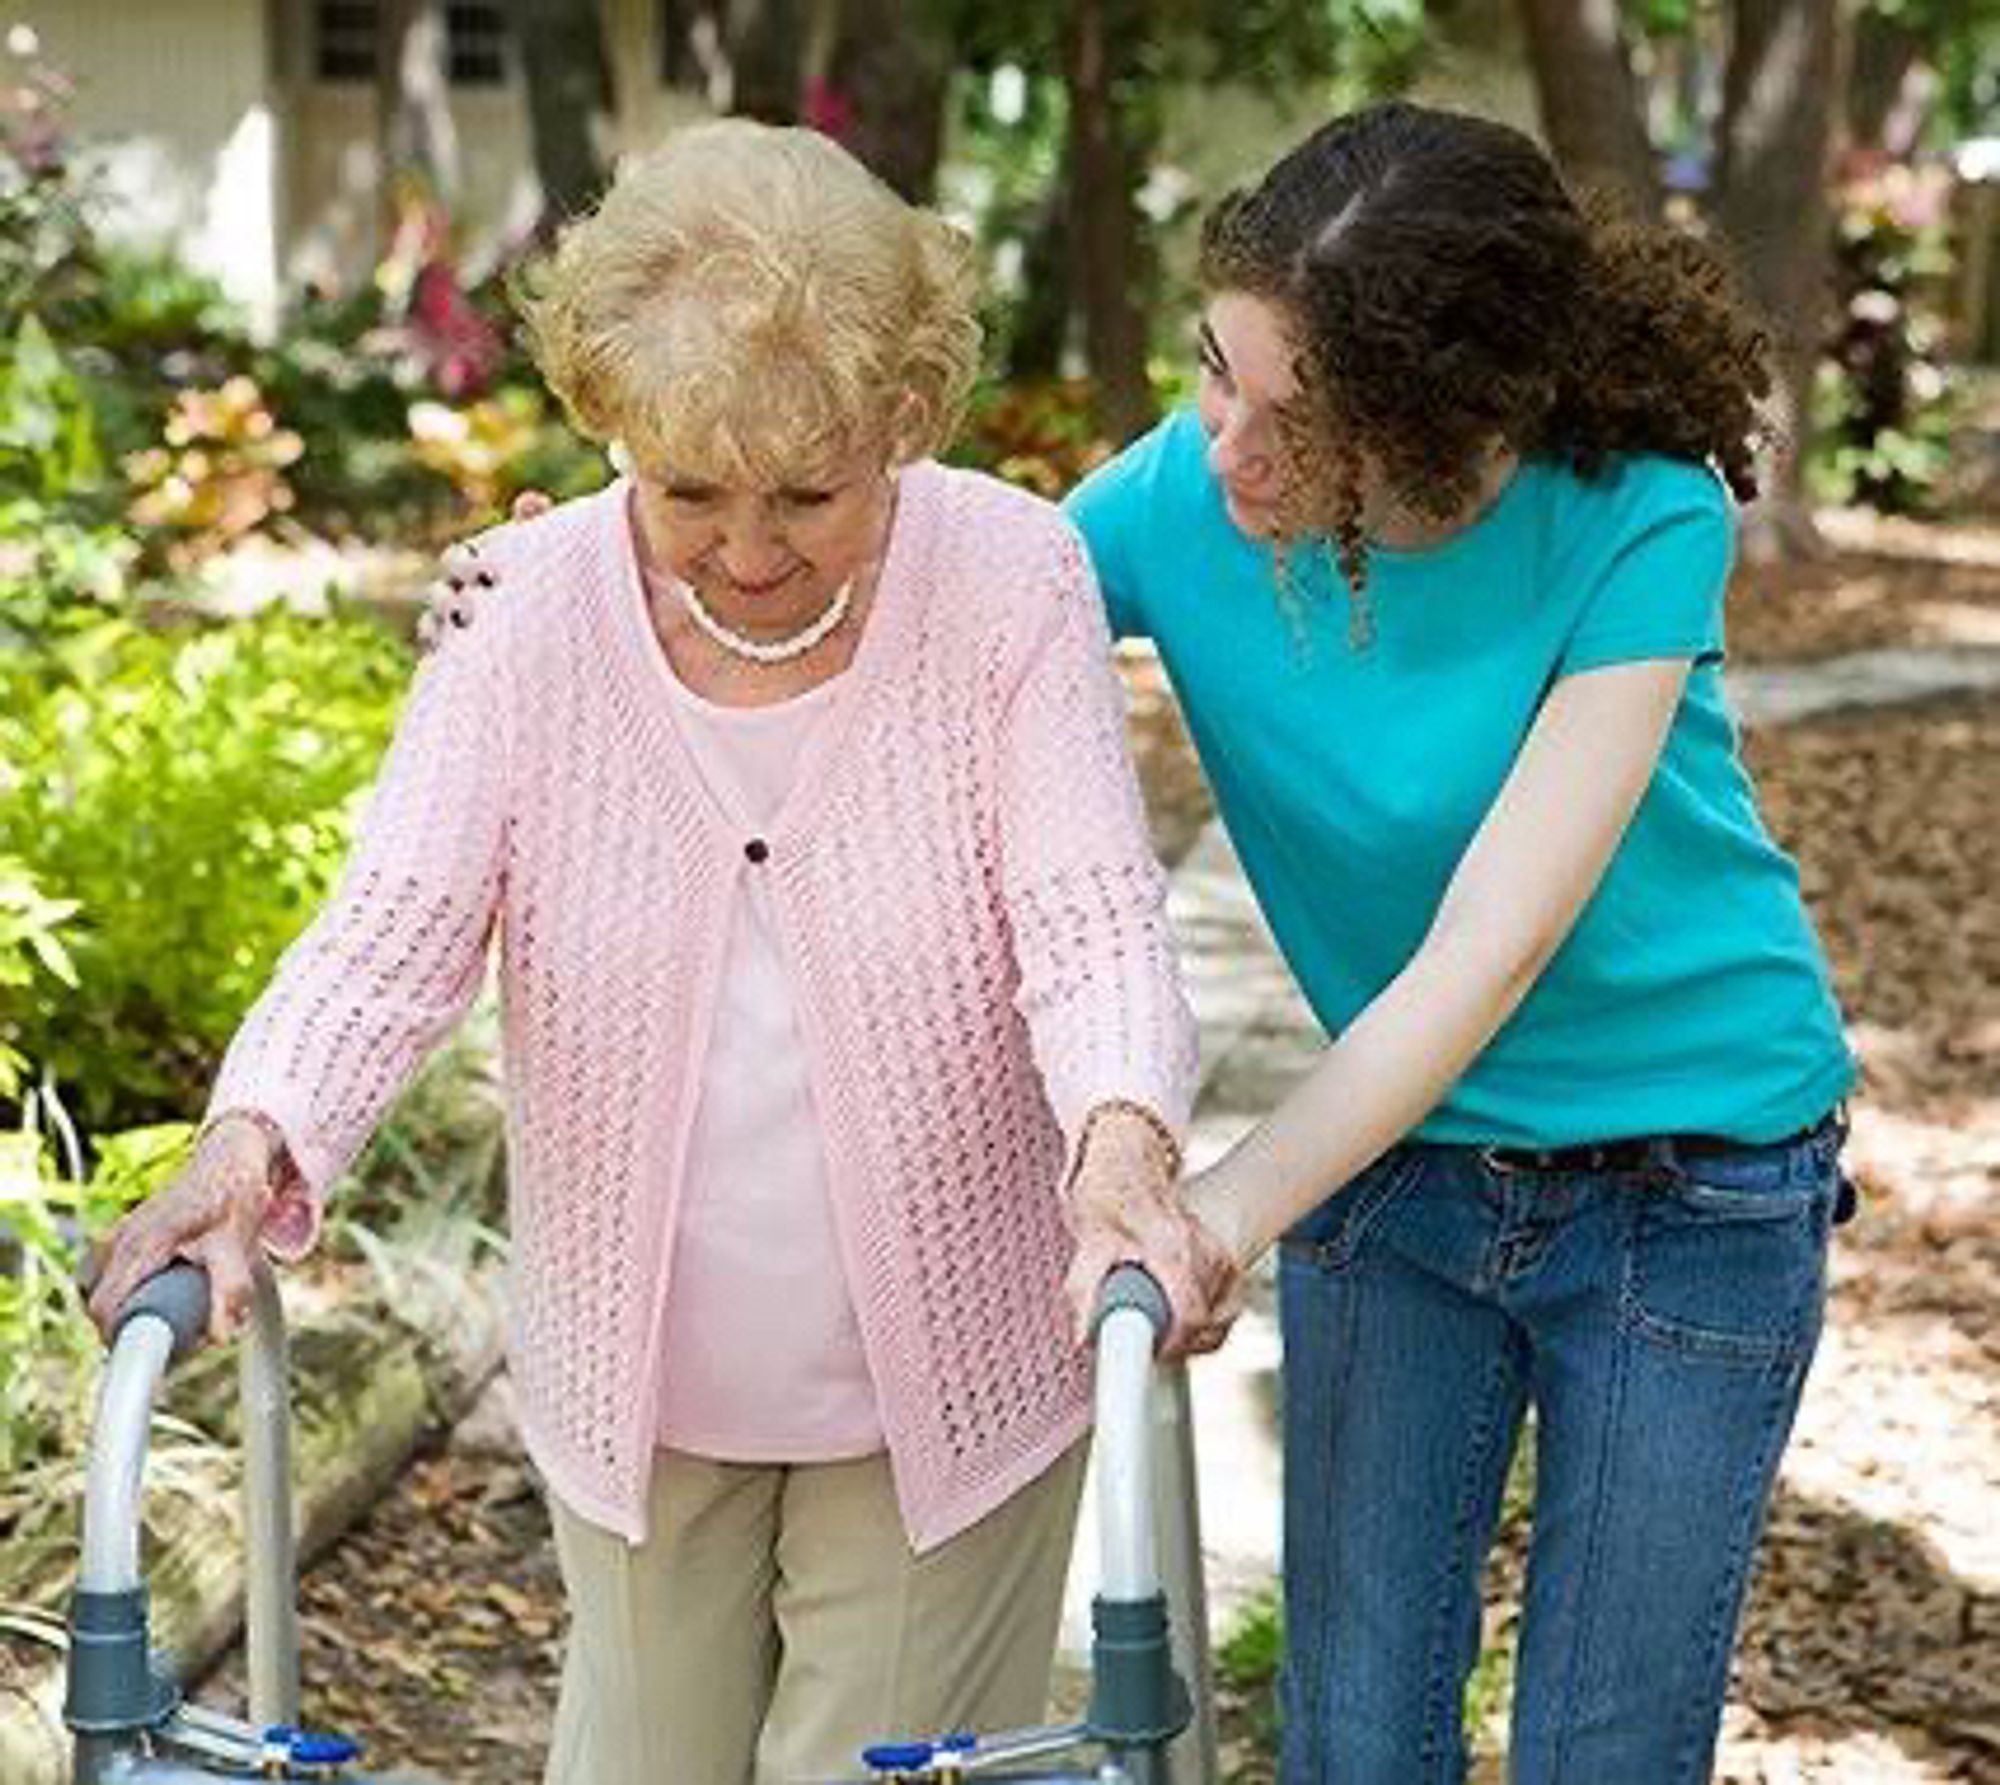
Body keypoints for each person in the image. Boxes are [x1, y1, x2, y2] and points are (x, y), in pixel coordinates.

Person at [83, 119, 1225, 1785]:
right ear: (612, 422)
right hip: (641, 1394)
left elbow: (1088, 913)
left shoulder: (1009, 577)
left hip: (956, 1388)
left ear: (904, 423)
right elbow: (389, 931)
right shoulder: (525, 612)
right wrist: (250, 1140)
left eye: (809, 493)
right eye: (691, 489)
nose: (750, 552)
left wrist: (1123, 1145)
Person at [1060, 102, 1857, 1784]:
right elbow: (925, 607)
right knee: (1355, 1735)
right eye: (1218, 369)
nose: (1229, 453)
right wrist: (558, 584)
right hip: (1404, 1176)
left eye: (1301, 426)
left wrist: (1218, 1210)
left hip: (1693, 1185)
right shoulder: (1170, 501)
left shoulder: (1635, 516)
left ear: (1440, 432)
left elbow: (1484, 952)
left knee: (1601, 1748)